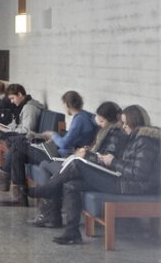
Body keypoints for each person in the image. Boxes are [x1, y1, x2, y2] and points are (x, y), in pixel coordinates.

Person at [51, 105, 161, 245]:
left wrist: (113, 161)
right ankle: (72, 232)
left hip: (133, 187)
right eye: (123, 122)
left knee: (78, 165)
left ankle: (50, 187)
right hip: (124, 181)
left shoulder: (145, 140)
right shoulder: (134, 137)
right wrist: (109, 160)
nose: (123, 126)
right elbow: (131, 166)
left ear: (135, 121)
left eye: (126, 123)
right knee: (72, 184)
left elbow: (139, 173)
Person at [23, 101, 125, 228]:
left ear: (110, 120)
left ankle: (49, 212)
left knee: (47, 167)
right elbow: (101, 153)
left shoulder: (114, 133)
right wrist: (87, 150)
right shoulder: (107, 131)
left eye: (102, 121)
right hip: (88, 165)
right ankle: (50, 213)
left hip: (92, 171)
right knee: (49, 167)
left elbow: (106, 160)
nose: (99, 124)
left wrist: (86, 154)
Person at [0, 90, 95, 207]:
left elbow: (64, 144)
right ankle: (18, 196)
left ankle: (5, 180)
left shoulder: (79, 119)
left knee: (18, 144)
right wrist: (50, 138)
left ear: (67, 104)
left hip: (61, 156)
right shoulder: (84, 115)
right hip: (60, 152)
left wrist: (53, 135)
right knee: (17, 153)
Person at [0, 83, 42, 182]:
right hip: (20, 136)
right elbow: (16, 124)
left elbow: (26, 130)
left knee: (10, 142)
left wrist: (4, 129)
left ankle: (2, 179)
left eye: (12, 98)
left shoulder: (29, 108)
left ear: (20, 94)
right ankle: (5, 181)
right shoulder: (22, 106)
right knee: (8, 141)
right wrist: (2, 127)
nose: (11, 101)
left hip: (27, 138)